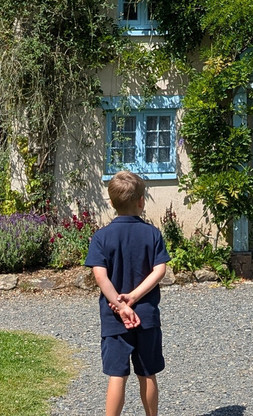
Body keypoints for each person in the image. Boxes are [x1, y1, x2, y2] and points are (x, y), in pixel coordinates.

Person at [85, 171, 170, 416]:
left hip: (114, 317)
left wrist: (120, 305)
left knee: (117, 375)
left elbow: (100, 276)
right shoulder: (152, 234)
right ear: (142, 201)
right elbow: (159, 270)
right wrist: (133, 298)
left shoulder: (101, 237)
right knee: (147, 373)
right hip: (146, 316)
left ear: (111, 203)